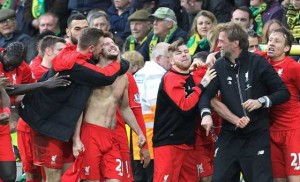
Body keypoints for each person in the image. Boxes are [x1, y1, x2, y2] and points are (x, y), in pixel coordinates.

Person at [19, 28, 129, 182]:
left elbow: (122, 67)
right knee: (52, 178)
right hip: (45, 124)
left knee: (67, 177)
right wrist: (116, 59)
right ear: (92, 48)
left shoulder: (80, 57)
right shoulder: (76, 66)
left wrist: (113, 55)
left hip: (62, 126)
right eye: (101, 46)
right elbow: (107, 76)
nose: (103, 48)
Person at [198, 22, 290, 182]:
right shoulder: (219, 65)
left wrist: (261, 101)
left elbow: (283, 93)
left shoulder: (258, 62)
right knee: (219, 178)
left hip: (256, 134)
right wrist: (205, 114)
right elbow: (206, 96)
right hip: (229, 134)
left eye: (221, 41)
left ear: (235, 43)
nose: (218, 45)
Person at [72, 32, 146, 181]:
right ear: (98, 51)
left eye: (113, 43)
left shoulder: (124, 77)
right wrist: (76, 139)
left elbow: (125, 108)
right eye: (105, 44)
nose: (112, 45)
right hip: (91, 134)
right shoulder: (89, 73)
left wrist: (139, 132)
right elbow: (78, 108)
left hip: (112, 136)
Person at [0, 42, 70, 182]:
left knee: (9, 176)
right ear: (4, 53)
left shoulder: (23, 68)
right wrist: (43, 84)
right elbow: (9, 90)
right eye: (8, 64)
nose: (10, 68)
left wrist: (12, 111)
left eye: (14, 65)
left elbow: (12, 92)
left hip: (3, 123)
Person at [152, 38, 216, 182]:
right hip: (169, 142)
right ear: (171, 61)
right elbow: (185, 105)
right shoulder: (170, 77)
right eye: (178, 53)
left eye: (186, 52)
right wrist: (203, 84)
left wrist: (197, 71)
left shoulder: (188, 76)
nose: (184, 55)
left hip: (187, 142)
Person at [18, 36, 67, 182]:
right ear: (48, 51)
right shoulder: (34, 71)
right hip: (28, 129)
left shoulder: (61, 73)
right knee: (33, 175)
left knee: (49, 173)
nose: (64, 54)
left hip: (48, 131)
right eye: (60, 50)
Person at [257, 27, 300, 182]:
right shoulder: (261, 61)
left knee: (294, 178)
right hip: (271, 130)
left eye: (277, 41)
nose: (271, 44)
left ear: (287, 48)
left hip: (293, 130)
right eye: (270, 40)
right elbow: (240, 52)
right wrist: (210, 57)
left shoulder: (293, 67)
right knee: (277, 179)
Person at [133, 42, 171, 182]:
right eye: (169, 57)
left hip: (139, 139)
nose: (171, 61)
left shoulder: (140, 74)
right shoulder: (156, 75)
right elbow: (157, 107)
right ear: (159, 58)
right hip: (153, 139)